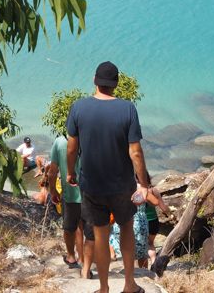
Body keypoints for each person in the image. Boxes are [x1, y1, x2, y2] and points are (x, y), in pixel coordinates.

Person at [66, 61, 150, 293]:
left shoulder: (78, 108)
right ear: (116, 84)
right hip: (122, 185)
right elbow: (135, 152)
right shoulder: (128, 109)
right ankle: (129, 285)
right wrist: (143, 184)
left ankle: (103, 288)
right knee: (126, 227)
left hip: (91, 185)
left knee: (101, 235)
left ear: (95, 81)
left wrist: (71, 172)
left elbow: (72, 148)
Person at [48, 134, 95, 275]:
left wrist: (53, 191)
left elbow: (52, 172)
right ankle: (86, 265)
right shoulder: (90, 138)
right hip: (91, 195)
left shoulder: (59, 142)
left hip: (69, 195)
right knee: (90, 233)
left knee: (69, 228)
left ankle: (71, 256)